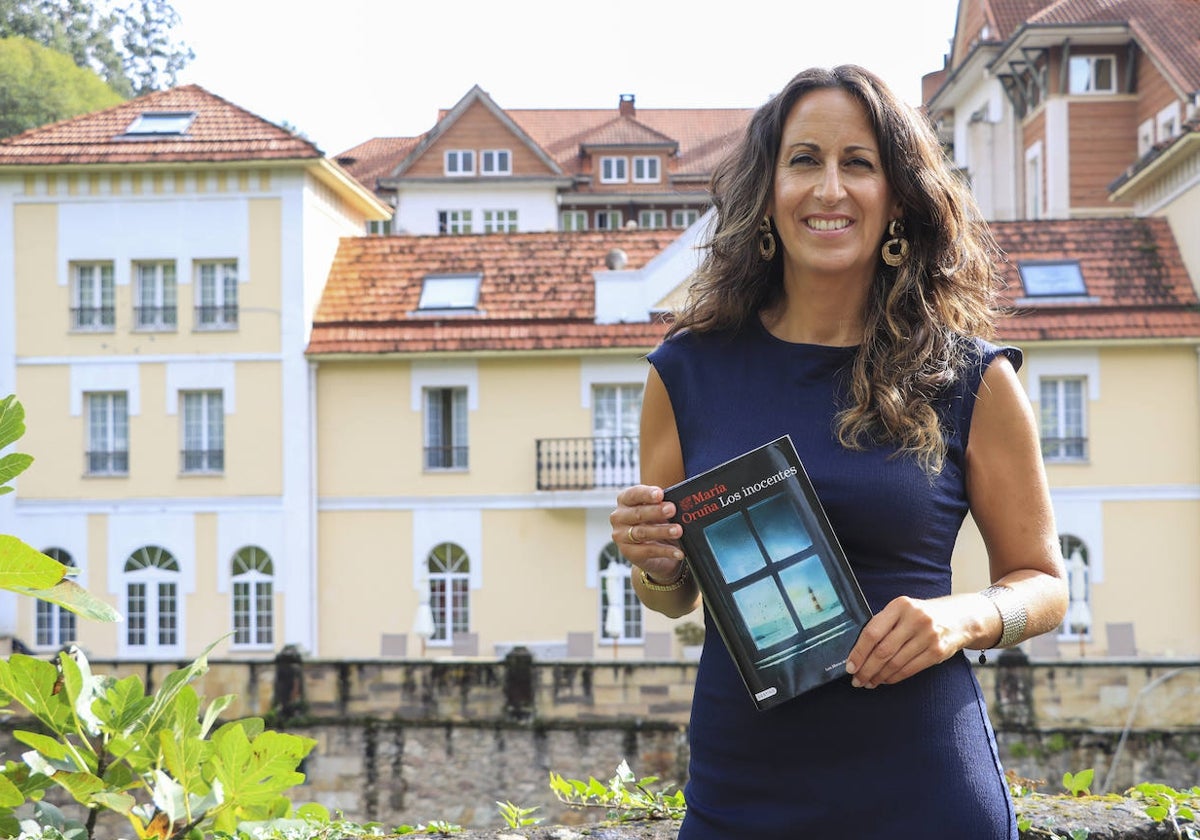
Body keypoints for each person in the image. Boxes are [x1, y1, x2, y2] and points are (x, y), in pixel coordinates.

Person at [610, 65, 1068, 839]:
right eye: (804, 160)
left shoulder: (971, 378)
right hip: (742, 788)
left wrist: (963, 618)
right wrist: (654, 562)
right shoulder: (685, 371)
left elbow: (1046, 585)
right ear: (768, 190)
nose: (829, 188)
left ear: (898, 197)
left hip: (924, 784)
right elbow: (675, 597)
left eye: (859, 163)